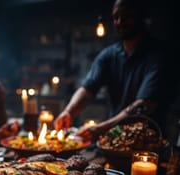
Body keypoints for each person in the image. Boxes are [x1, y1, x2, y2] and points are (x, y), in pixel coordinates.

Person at [54, 0, 175, 141]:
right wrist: (69, 112)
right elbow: (87, 90)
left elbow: (144, 106)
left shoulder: (158, 55)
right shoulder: (108, 55)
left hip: (149, 143)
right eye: (116, 17)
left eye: (127, 16)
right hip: (113, 140)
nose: (119, 22)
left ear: (141, 17)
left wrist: (101, 128)